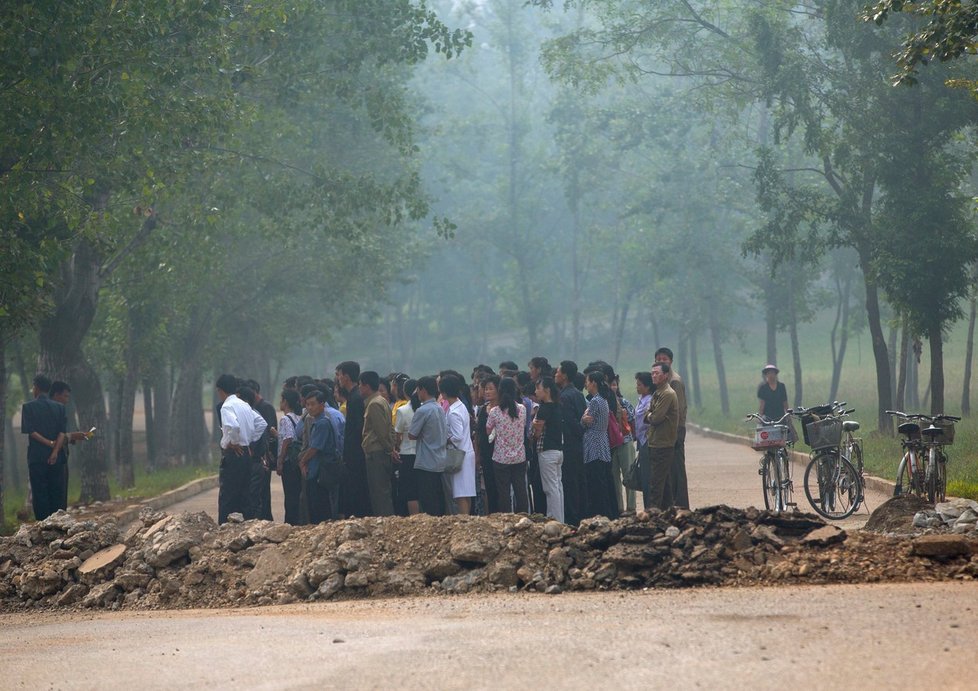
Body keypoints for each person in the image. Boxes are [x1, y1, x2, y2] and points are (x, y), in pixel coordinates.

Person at [216, 374, 266, 523]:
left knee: (227, 496)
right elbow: (261, 423)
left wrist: (234, 442)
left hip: (233, 454)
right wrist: (249, 441)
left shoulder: (227, 406)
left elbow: (234, 426)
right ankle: (245, 527)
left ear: (220, 390)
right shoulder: (244, 405)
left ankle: (224, 528)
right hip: (246, 454)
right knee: (245, 494)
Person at [20, 374, 68, 521]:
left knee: (40, 492)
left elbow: (31, 432)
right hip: (57, 458)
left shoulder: (28, 407)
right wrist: (54, 451)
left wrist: (48, 443)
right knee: (56, 491)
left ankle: (43, 525)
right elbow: (62, 432)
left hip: (37, 457)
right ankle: (58, 524)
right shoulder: (59, 408)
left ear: (37, 388)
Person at [485, 377, 528, 513]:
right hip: (520, 456)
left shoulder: (494, 411)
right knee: (520, 489)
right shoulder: (522, 409)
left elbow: (488, 430)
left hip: (500, 457)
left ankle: (506, 518)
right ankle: (523, 516)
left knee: (503, 492)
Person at [655, 347, 689, 509]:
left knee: (676, 470)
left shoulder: (674, 381)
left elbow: (679, 410)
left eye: (665, 359)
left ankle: (680, 505)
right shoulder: (662, 381)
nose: (661, 362)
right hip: (668, 431)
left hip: (675, 430)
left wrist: (676, 434)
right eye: (659, 359)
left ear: (671, 361)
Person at [49, 381, 92, 512]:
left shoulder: (60, 410)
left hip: (61, 456)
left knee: (62, 493)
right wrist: (71, 436)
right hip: (52, 457)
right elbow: (54, 436)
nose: (67, 400)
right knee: (56, 494)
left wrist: (72, 437)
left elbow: (62, 435)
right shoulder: (50, 411)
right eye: (65, 396)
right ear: (56, 395)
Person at [408, 375, 447, 515]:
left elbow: (412, 435)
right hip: (440, 459)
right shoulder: (439, 408)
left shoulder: (422, 410)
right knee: (438, 497)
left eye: (418, 390)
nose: (417, 394)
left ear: (423, 390)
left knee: (428, 499)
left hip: (426, 460)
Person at [335, 361, 370, 517]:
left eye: (340, 375)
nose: (338, 379)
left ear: (347, 377)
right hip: (354, 453)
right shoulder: (354, 396)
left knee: (357, 492)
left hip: (355, 454)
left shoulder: (355, 399)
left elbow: (357, 430)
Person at [359, 370, 396, 516]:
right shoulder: (382, 401)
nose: (359, 389)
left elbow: (381, 431)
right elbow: (390, 428)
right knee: (382, 491)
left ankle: (385, 523)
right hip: (381, 451)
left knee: (379, 493)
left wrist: (389, 449)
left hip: (377, 453)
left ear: (367, 386)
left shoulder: (374, 404)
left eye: (361, 385)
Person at [581, 371, 617, 519]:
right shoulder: (603, 399)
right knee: (602, 481)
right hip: (602, 442)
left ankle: (600, 513)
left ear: (594, 383)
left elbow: (586, 422)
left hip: (594, 443)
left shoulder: (595, 401)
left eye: (588, 382)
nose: (586, 384)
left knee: (596, 482)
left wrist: (583, 419)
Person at [298, 389, 337, 523]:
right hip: (315, 469)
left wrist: (302, 461)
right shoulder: (315, 421)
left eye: (313, 404)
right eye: (307, 404)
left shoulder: (322, 423)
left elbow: (315, 447)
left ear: (322, 404)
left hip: (321, 471)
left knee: (320, 507)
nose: (310, 407)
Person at [556, 360, 587, 525]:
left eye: (558, 372)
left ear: (565, 375)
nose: (555, 375)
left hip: (568, 446)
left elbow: (570, 423)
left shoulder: (565, 396)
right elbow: (582, 421)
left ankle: (573, 520)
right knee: (578, 482)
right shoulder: (578, 394)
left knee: (570, 483)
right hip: (578, 445)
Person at [441, 374, 476, 515]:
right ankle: (468, 519)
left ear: (443, 392)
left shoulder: (453, 412)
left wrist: (446, 438)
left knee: (460, 493)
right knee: (466, 491)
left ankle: (464, 521)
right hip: (467, 452)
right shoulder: (461, 406)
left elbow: (457, 436)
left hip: (459, 455)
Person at [645, 362, 678, 511]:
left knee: (656, 484)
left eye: (657, 373)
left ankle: (653, 514)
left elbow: (655, 417)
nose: (654, 376)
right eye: (652, 373)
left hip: (663, 444)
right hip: (655, 442)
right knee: (664, 484)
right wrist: (650, 415)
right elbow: (648, 414)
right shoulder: (657, 393)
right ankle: (668, 512)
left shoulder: (667, 394)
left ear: (665, 375)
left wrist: (650, 415)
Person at [533, 376, 564, 523]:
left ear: (547, 390)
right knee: (558, 486)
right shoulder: (558, 406)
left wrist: (533, 428)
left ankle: (554, 520)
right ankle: (560, 519)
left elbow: (537, 432)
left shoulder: (543, 409)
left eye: (538, 388)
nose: (536, 391)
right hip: (558, 450)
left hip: (547, 451)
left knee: (550, 489)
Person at [247, 379, 277, 521]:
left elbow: (269, 433)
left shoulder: (266, 408)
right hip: (258, 456)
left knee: (263, 492)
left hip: (263, 456)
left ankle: (266, 519)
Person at [275, 389, 303, 525]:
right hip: (297, 460)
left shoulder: (285, 419)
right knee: (297, 494)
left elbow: (288, 438)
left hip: (288, 462)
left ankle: (290, 523)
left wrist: (280, 461)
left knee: (290, 495)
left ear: (285, 402)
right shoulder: (299, 416)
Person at [394, 379, 420, 515]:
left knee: (410, 491)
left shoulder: (402, 411)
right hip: (422, 453)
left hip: (406, 453)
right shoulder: (424, 408)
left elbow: (397, 436)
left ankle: (415, 520)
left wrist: (395, 448)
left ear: (404, 391)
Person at [633, 372, 654, 510]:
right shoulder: (641, 399)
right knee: (644, 475)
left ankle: (650, 507)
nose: (637, 387)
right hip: (641, 441)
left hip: (647, 441)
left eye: (639, 384)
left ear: (647, 386)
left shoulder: (650, 400)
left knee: (648, 477)